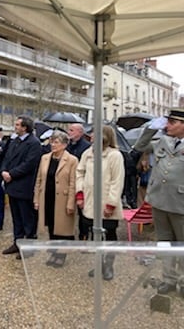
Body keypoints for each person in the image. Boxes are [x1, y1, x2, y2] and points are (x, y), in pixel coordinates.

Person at [133, 108, 184, 295]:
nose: (167, 125)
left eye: (172, 122)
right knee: (164, 242)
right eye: (166, 122)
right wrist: (149, 128)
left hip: (180, 203)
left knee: (182, 244)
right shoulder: (162, 141)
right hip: (159, 200)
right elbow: (139, 146)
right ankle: (168, 279)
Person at [76, 125, 125, 281]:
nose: (91, 136)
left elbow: (117, 181)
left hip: (106, 202)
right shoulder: (88, 154)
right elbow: (80, 173)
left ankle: (109, 265)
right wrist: (80, 193)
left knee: (110, 235)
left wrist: (111, 204)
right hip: (90, 201)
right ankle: (98, 265)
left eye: (94, 134)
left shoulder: (115, 155)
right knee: (95, 235)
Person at [33, 130, 78, 267]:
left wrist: (71, 203)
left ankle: (61, 254)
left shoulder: (72, 160)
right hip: (47, 197)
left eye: (56, 142)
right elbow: (39, 180)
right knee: (51, 226)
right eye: (52, 141)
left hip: (63, 200)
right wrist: (36, 199)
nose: (53, 144)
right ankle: (54, 251)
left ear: (64, 144)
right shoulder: (45, 158)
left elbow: (73, 183)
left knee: (63, 228)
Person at [1, 115, 42, 259]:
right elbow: (6, 158)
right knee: (16, 217)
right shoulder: (14, 141)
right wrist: (4, 171)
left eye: (18, 125)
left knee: (27, 218)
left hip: (24, 185)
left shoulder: (34, 143)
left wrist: (11, 174)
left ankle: (29, 246)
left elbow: (29, 164)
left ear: (25, 127)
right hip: (12, 185)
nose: (15, 126)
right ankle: (17, 242)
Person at [67, 123, 91, 240]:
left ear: (80, 132)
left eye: (72, 130)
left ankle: (84, 234)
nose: (69, 132)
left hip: (81, 181)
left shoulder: (86, 147)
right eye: (69, 130)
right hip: (68, 181)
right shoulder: (68, 145)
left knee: (82, 211)